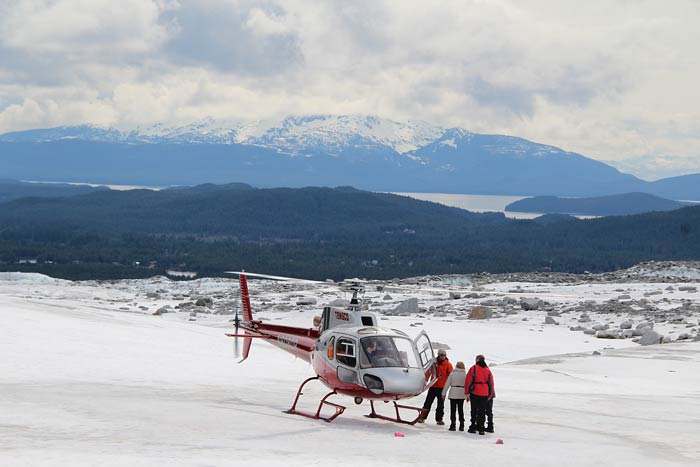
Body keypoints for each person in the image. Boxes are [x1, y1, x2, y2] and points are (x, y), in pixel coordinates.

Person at [419, 348, 453, 425]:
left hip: (442, 388)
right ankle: (422, 417)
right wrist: (425, 381)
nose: (443, 357)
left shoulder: (448, 364)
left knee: (440, 405)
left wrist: (450, 384)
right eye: (442, 355)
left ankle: (439, 419)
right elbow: (428, 372)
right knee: (428, 402)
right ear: (438, 355)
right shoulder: (434, 363)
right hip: (433, 386)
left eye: (444, 355)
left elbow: (451, 375)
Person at [465, 354, 495, 435]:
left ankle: (473, 426)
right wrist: (491, 393)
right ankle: (481, 427)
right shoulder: (487, 370)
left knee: (474, 410)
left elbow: (468, 380)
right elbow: (491, 383)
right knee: (482, 411)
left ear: (477, 360)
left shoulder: (473, 368)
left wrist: (467, 392)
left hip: (475, 392)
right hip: (484, 393)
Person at [441, 361, 467, 431]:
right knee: (460, 409)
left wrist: (443, 393)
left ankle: (453, 424)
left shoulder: (452, 374)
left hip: (453, 392)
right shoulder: (465, 375)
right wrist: (468, 395)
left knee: (453, 410)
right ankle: (462, 425)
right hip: (461, 393)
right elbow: (467, 385)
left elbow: (447, 384)